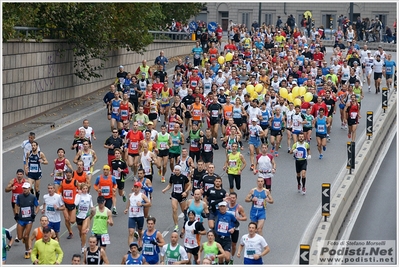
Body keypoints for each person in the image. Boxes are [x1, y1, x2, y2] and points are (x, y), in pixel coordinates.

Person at [162, 165, 191, 232]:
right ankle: (176, 225)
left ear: (180, 171)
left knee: (184, 210)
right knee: (174, 209)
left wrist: (185, 192)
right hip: (174, 195)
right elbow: (170, 184)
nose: (176, 171)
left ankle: (187, 220)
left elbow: (189, 185)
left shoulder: (184, 177)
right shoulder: (172, 177)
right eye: (175, 170)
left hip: (182, 195)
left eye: (178, 170)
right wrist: (165, 189)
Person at [15, 182, 40, 259]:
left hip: (29, 219)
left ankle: (27, 251)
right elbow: (16, 204)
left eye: (26, 188)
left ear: (29, 189)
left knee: (26, 236)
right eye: (23, 188)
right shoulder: (19, 197)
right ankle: (24, 240)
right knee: (19, 237)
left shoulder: (33, 197)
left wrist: (35, 214)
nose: (24, 189)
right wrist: (16, 213)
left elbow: (37, 206)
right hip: (21, 219)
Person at [124, 181, 151, 248]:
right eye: (134, 187)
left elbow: (149, 203)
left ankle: (141, 243)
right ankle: (131, 248)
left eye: (137, 187)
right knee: (131, 232)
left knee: (140, 232)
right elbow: (129, 202)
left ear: (139, 188)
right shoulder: (131, 195)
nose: (135, 188)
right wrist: (127, 209)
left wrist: (142, 204)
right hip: (132, 216)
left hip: (140, 216)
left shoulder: (142, 195)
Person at [226, 192, 248, 264]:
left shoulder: (239, 207)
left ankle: (232, 257)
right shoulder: (225, 206)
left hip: (235, 228)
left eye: (234, 198)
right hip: (226, 227)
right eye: (231, 198)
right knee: (225, 242)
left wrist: (239, 218)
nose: (232, 199)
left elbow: (245, 217)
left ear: (236, 198)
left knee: (233, 244)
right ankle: (226, 256)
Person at [58, 168, 79, 239]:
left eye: (69, 173)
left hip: (72, 203)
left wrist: (79, 196)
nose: (68, 174)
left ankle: (77, 214)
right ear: (65, 174)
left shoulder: (75, 182)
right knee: (66, 219)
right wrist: (59, 198)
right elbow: (59, 191)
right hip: (65, 203)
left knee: (72, 221)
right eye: (67, 173)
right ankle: (70, 232)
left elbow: (79, 190)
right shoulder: (62, 182)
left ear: (71, 174)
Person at [74, 183, 93, 254]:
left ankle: (83, 246)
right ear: (81, 189)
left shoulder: (89, 196)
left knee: (83, 232)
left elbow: (91, 205)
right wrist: (79, 195)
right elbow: (75, 203)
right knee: (81, 233)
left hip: (86, 216)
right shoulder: (78, 196)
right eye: (83, 189)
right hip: (79, 216)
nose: (85, 190)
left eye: (86, 189)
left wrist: (93, 210)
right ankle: (83, 242)